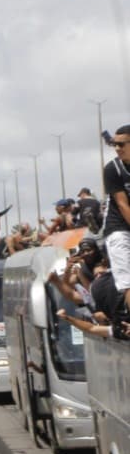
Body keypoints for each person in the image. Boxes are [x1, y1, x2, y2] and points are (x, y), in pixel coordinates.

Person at [103, 125, 130, 330]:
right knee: (128, 280)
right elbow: (122, 205)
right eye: (114, 144)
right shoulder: (113, 169)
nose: (117, 149)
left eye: (121, 144)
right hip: (119, 228)